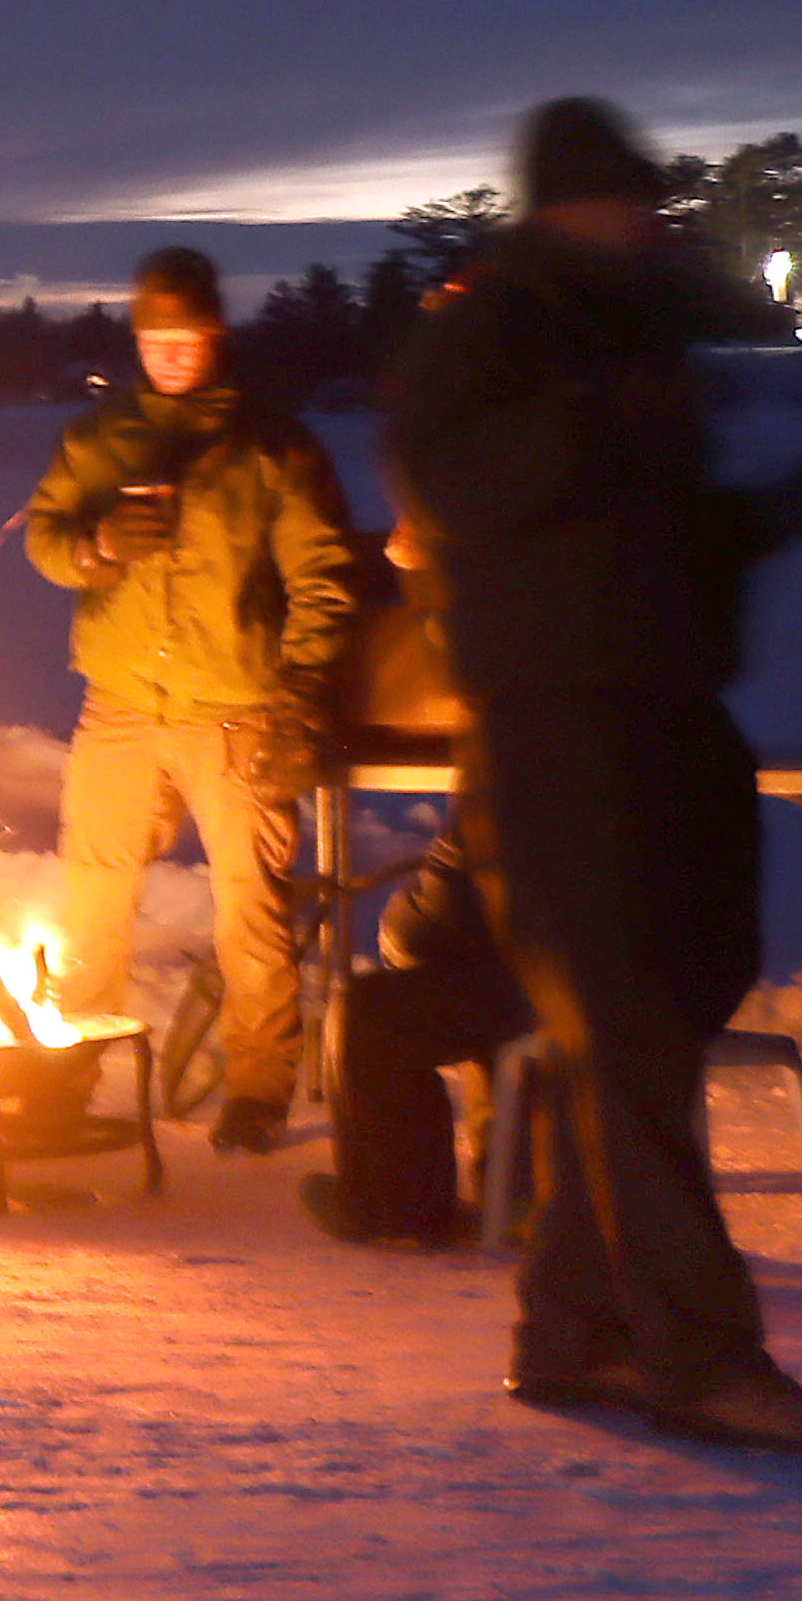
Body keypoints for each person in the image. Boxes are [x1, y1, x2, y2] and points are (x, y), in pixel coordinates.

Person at [388, 98, 802, 1453]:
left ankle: (574, 1326)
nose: (643, 217)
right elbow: (453, 487)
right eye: (617, 197)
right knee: (631, 1030)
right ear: (560, 204)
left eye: (645, 196)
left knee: (695, 981)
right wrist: (591, 414)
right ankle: (699, 1352)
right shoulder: (487, 331)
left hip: (669, 712)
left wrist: (761, 516)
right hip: (554, 727)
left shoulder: (636, 328)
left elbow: (646, 525)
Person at [25, 247, 357, 1151]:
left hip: (236, 707)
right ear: (137, 337)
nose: (170, 352)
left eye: (187, 334)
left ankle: (257, 1087)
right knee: (94, 898)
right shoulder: (99, 439)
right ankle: (72, 1071)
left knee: (250, 907)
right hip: (122, 704)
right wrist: (95, 541)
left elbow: (324, 577)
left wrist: (298, 693)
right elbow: (44, 540)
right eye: (154, 335)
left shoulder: (270, 446)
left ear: (216, 333)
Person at [303, 511, 521, 1250]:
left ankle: (396, 1209)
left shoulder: (516, 736)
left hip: (556, 977)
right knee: (456, 978)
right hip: (617, 967)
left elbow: (461, 886)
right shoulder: (590, 712)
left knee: (372, 1011)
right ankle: (512, 1187)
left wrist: (405, 925)